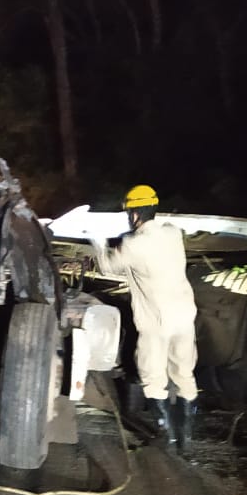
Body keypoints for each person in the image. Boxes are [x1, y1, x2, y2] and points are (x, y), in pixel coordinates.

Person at [89, 185, 200, 451]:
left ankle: (168, 436)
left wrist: (98, 243)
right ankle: (187, 437)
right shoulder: (173, 235)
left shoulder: (132, 245)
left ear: (134, 213)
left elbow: (106, 265)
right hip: (185, 317)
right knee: (185, 374)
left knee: (154, 378)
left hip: (156, 323)